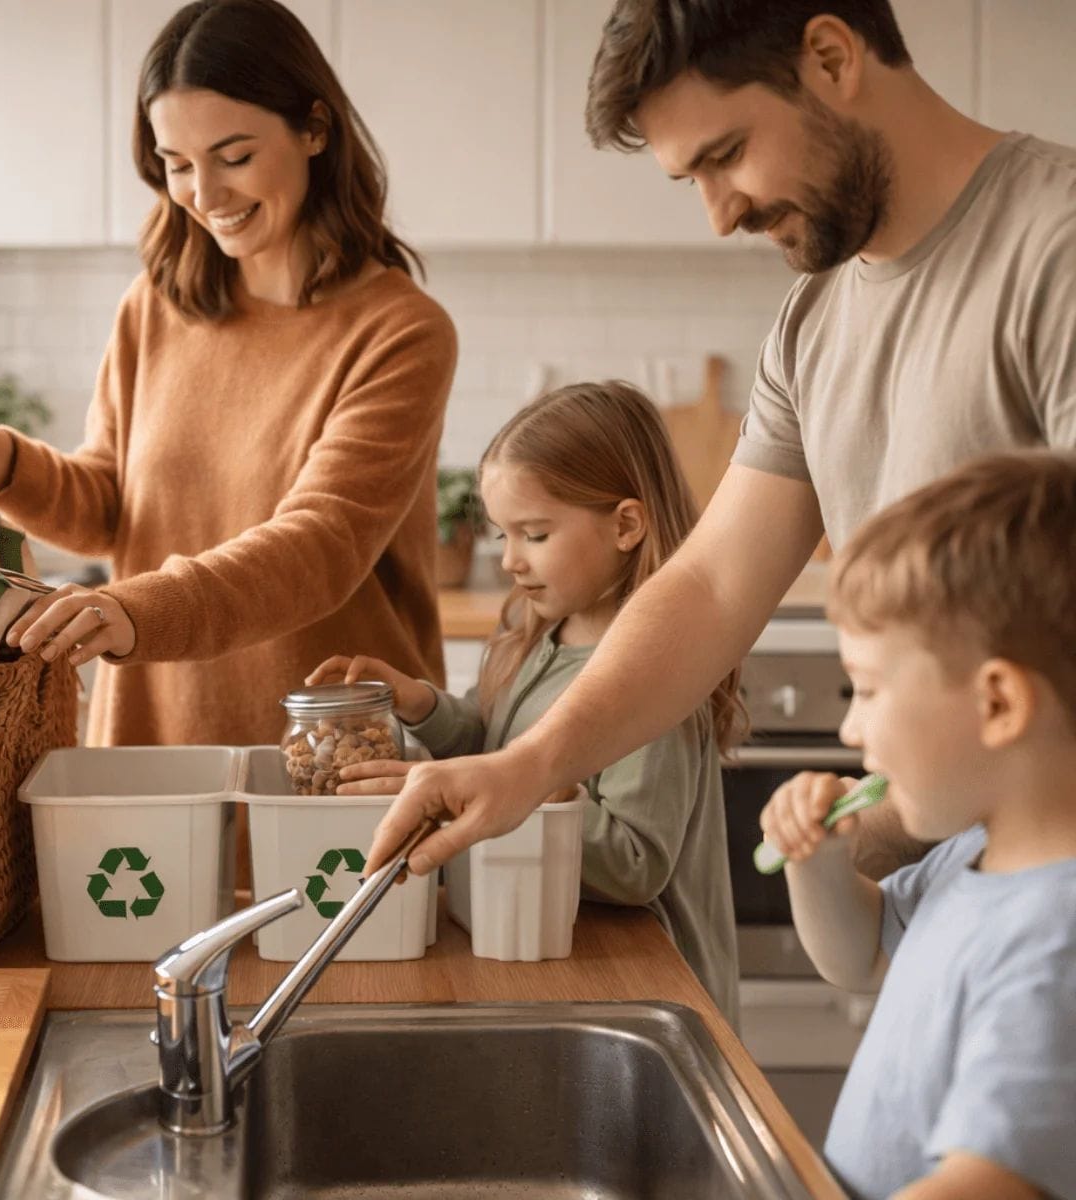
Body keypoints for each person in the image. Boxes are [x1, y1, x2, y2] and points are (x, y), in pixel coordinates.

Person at [365, 0, 1076, 879]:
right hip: (941, 902)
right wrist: (528, 767)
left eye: (727, 154)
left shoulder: (1056, 252)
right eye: (691, 178)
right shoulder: (814, 319)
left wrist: (892, 819)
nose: (718, 212)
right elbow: (710, 586)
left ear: (830, 57)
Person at [0, 0, 457, 751]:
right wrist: (7, 465)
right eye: (178, 164)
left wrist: (134, 612)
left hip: (333, 749)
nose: (204, 196)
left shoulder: (400, 330)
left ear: (315, 130)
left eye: (234, 157)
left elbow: (321, 545)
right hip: (155, 734)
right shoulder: (156, 303)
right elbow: (113, 509)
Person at [308, 381, 743, 1024]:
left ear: (626, 526)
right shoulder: (535, 630)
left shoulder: (654, 681)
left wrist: (485, 805)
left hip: (645, 987)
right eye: (501, 534)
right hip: (550, 958)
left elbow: (635, 864)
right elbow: (494, 748)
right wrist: (423, 705)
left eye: (534, 534)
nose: (510, 560)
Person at [758, 450, 1076, 1200]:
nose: (849, 729)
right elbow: (860, 957)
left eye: (867, 690)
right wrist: (821, 865)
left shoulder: (1056, 940)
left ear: (997, 704)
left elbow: (990, 1182)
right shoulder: (974, 853)